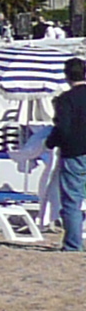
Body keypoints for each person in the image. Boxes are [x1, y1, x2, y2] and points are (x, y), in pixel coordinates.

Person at [54, 58, 86, 254]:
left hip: (74, 151)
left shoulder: (65, 99)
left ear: (66, 76)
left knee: (72, 200)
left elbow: (63, 128)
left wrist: (51, 142)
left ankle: (73, 244)